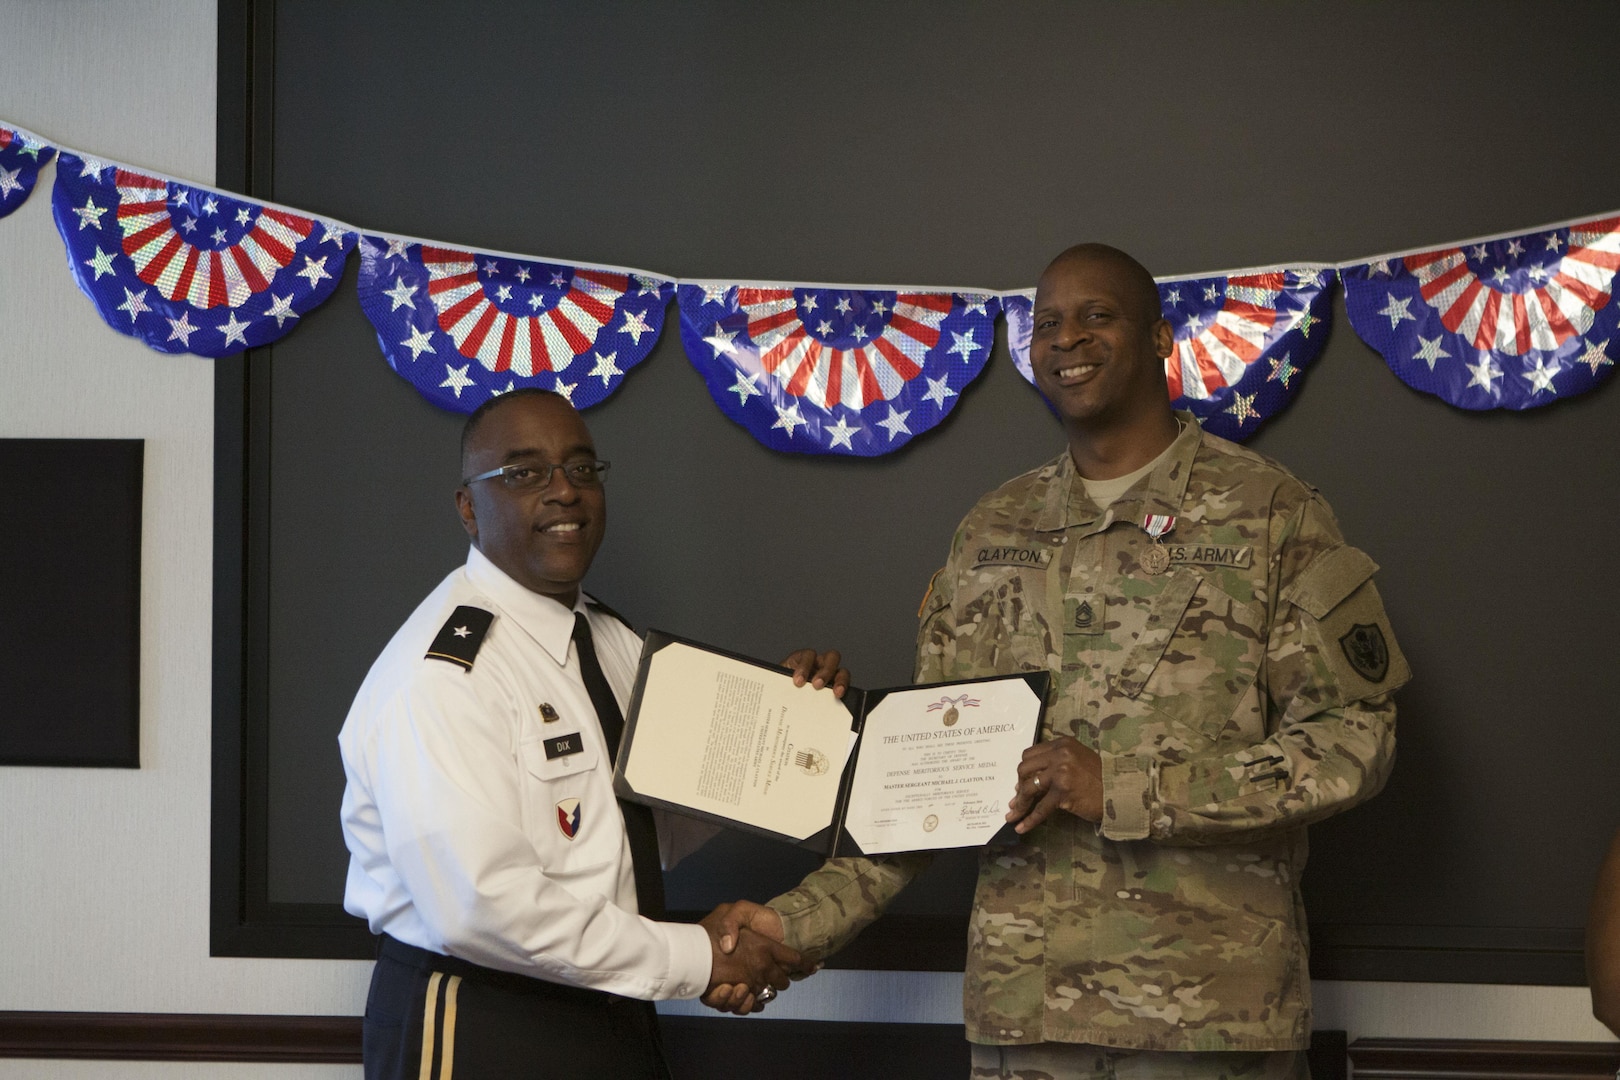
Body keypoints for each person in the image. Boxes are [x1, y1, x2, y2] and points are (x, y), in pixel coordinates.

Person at [710, 244, 1409, 1079]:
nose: (1067, 338)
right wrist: (796, 927)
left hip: (1211, 1024)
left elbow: (1352, 745)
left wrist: (1121, 788)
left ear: (1158, 337)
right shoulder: (992, 528)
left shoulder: (1270, 514)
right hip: (1025, 1025)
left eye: (1096, 315)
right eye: (1046, 322)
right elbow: (927, 784)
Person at [338, 387, 839, 1079]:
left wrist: (792, 730)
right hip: (484, 1016)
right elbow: (482, 907)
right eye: (524, 473)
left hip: (608, 1000)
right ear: (467, 508)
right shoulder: (445, 673)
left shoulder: (611, 639)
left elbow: (649, 823)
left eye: (581, 469)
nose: (563, 492)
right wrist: (700, 956)